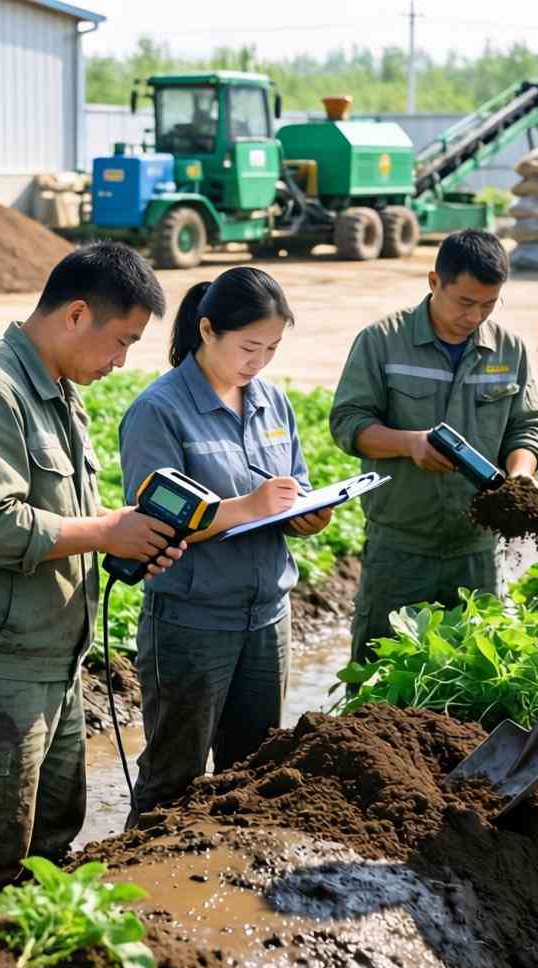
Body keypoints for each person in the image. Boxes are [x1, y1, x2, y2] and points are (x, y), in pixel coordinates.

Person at [0, 242, 184, 921]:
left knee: (47, 843)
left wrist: (121, 536)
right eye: (121, 341)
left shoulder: (60, 393)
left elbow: (59, 519)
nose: (122, 360)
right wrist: (103, 533)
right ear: (75, 315)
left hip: (51, 660)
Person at [118, 267, 331, 823]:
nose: (258, 361)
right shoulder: (159, 410)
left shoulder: (272, 403)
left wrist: (303, 513)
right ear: (207, 330)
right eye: (249, 346)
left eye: (272, 348)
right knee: (174, 774)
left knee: (254, 769)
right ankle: (143, 892)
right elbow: (154, 518)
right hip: (192, 621)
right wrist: (250, 506)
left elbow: (293, 485)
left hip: (267, 617)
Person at [329, 229, 538, 664]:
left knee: (473, 676)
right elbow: (347, 423)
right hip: (400, 549)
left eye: (488, 304)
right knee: (380, 674)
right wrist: (408, 444)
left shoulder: (508, 350)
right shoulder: (382, 342)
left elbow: (527, 428)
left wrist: (521, 477)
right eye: (465, 302)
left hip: (478, 552)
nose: (475, 316)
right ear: (434, 282)